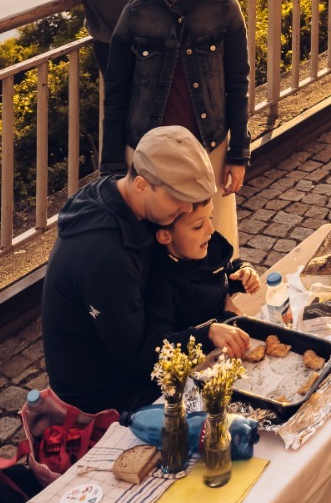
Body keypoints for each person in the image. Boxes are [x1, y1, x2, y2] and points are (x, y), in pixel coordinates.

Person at [41, 126, 249, 416]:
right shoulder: (107, 257)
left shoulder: (126, 198)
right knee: (234, 405)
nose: (187, 207)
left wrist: (221, 294)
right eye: (178, 199)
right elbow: (139, 359)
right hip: (104, 399)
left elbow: (181, 276)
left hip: (130, 358)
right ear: (142, 185)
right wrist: (206, 333)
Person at [101, 0, 250, 249]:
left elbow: (238, 85)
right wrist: (112, 163)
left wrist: (238, 153)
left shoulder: (223, 7)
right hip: (145, 152)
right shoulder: (136, 12)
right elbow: (116, 93)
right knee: (152, 243)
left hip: (207, 148)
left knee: (212, 240)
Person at [146, 200, 261, 337]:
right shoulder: (161, 284)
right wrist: (213, 329)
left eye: (210, 218)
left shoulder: (210, 247)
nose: (211, 229)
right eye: (198, 226)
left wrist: (243, 273)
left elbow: (225, 275)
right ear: (165, 236)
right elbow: (159, 344)